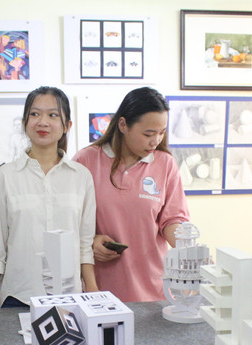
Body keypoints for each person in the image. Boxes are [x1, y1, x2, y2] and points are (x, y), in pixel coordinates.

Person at [0, 86, 98, 342]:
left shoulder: (81, 177)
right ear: (24, 122)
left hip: (69, 300)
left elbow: (84, 245)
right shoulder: (6, 177)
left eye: (53, 115)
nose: (43, 122)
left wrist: (93, 292)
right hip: (18, 296)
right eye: (35, 114)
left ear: (67, 125)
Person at [73, 87, 190, 303]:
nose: (155, 141)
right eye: (148, 134)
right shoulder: (85, 161)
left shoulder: (165, 164)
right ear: (123, 125)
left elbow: (173, 219)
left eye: (162, 132)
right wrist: (91, 241)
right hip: (99, 290)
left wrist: (189, 249)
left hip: (154, 289)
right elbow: (69, 222)